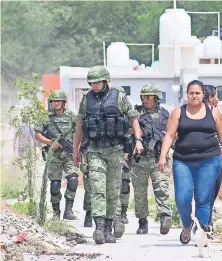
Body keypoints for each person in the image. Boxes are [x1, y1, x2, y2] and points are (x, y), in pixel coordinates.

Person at [73, 65, 143, 244]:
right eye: (92, 82)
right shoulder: (86, 99)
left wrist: (138, 140)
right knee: (97, 188)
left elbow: (133, 117)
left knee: (112, 191)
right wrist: (75, 149)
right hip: (95, 150)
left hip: (115, 150)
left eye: (97, 82)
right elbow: (80, 125)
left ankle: (108, 227)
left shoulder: (119, 97)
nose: (94, 85)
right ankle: (98, 226)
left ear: (105, 81)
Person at [158, 80, 222, 244]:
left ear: (203, 95)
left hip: (209, 161)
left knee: (203, 199)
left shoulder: (214, 112)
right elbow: (169, 135)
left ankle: (202, 235)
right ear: (187, 94)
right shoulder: (178, 113)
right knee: (182, 198)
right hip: (183, 161)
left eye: (197, 93)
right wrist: (162, 156)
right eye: (191, 93)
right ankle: (187, 226)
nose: (194, 96)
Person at [130, 84, 172, 235]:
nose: (145, 99)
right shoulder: (135, 113)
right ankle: (142, 222)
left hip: (158, 157)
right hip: (139, 159)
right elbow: (127, 129)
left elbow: (171, 134)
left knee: (161, 189)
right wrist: (138, 133)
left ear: (156, 97)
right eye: (143, 96)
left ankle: (165, 217)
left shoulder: (165, 114)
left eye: (148, 97)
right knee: (140, 192)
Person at [34, 90, 79, 220]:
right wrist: (50, 142)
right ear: (51, 103)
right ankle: (56, 213)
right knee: (55, 183)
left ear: (63, 102)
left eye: (59, 101)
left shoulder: (72, 116)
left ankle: (68, 211)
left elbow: (79, 132)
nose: (56, 103)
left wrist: (77, 149)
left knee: (73, 180)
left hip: (69, 154)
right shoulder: (46, 117)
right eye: (54, 101)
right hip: (53, 154)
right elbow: (37, 134)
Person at [204, 85, 222, 228]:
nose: (218, 99)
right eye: (216, 96)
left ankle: (203, 223)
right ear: (210, 98)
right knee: (210, 194)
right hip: (213, 158)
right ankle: (206, 224)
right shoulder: (214, 111)